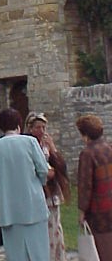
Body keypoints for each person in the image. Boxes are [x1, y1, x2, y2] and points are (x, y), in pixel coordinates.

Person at [0, 108, 50, 261]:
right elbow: (43, 169)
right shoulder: (30, 142)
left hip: (9, 208)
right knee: (40, 252)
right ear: (19, 124)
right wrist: (37, 184)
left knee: (16, 254)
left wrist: (4, 184)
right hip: (34, 204)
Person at [25, 112, 69, 261]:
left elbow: (61, 167)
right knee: (43, 232)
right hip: (38, 193)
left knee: (55, 228)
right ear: (30, 128)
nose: (42, 131)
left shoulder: (46, 145)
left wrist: (53, 148)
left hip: (52, 193)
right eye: (38, 127)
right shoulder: (27, 146)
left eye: (43, 127)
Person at [76, 114, 112, 260]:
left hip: (99, 210)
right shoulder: (109, 148)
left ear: (85, 135)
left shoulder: (87, 154)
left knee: (104, 248)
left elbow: (85, 185)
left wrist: (82, 211)